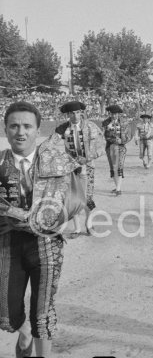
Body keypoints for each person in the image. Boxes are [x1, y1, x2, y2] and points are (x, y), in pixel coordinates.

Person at [0, 101, 88, 358]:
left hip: (46, 244)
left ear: (37, 131)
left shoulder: (56, 161)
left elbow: (73, 201)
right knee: (6, 311)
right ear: (6, 130)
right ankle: (23, 331)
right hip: (7, 244)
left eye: (27, 126)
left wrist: (63, 220)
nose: (21, 132)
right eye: (14, 126)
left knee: (43, 311)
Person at [47, 101, 105, 210]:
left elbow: (102, 145)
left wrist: (88, 158)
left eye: (78, 112)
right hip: (71, 166)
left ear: (81, 113)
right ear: (68, 115)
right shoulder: (63, 128)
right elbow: (50, 143)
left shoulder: (90, 126)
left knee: (88, 196)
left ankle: (88, 223)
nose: (75, 116)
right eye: (72, 113)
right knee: (73, 197)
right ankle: (77, 227)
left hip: (88, 165)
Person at [102, 105, 132, 196]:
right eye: (112, 114)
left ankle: (118, 189)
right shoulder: (105, 123)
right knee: (113, 168)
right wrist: (113, 140)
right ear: (110, 114)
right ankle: (117, 187)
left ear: (118, 114)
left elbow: (129, 135)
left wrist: (122, 141)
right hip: (110, 147)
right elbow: (104, 136)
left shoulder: (125, 122)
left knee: (119, 166)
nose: (114, 116)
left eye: (115, 114)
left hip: (121, 147)